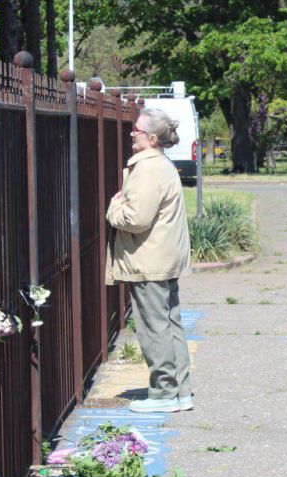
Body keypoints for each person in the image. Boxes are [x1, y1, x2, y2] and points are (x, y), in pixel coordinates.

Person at [107, 108, 193, 413]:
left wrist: (113, 210)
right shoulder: (162, 165)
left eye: (138, 131)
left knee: (153, 327)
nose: (132, 133)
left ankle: (164, 393)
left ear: (152, 138)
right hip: (163, 256)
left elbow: (136, 218)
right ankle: (180, 391)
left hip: (149, 259)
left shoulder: (148, 168)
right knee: (170, 323)